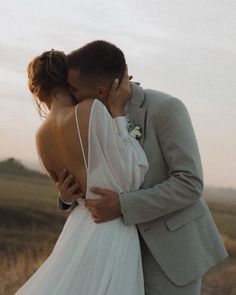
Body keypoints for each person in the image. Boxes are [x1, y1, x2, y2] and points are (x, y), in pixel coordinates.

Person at [58, 40, 228, 295]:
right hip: (113, 252)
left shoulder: (165, 109)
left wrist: (122, 205)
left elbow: (189, 183)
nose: (69, 95)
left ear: (101, 91)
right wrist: (66, 195)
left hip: (168, 255)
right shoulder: (84, 120)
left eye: (74, 88)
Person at [15, 49, 149, 295]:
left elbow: (70, 190)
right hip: (111, 227)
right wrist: (118, 112)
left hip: (79, 228)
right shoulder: (90, 109)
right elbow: (132, 177)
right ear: (68, 79)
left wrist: (65, 197)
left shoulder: (40, 136)